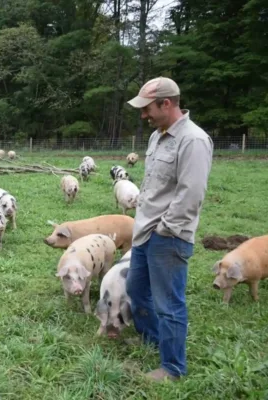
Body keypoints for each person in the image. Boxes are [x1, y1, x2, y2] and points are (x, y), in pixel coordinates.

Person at [125, 77, 213, 382]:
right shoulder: (157, 137)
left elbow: (191, 194)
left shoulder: (194, 140)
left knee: (168, 304)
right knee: (136, 290)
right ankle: (152, 340)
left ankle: (173, 368)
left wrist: (165, 229)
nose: (143, 115)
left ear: (166, 104)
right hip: (144, 232)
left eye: (147, 108)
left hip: (168, 237)